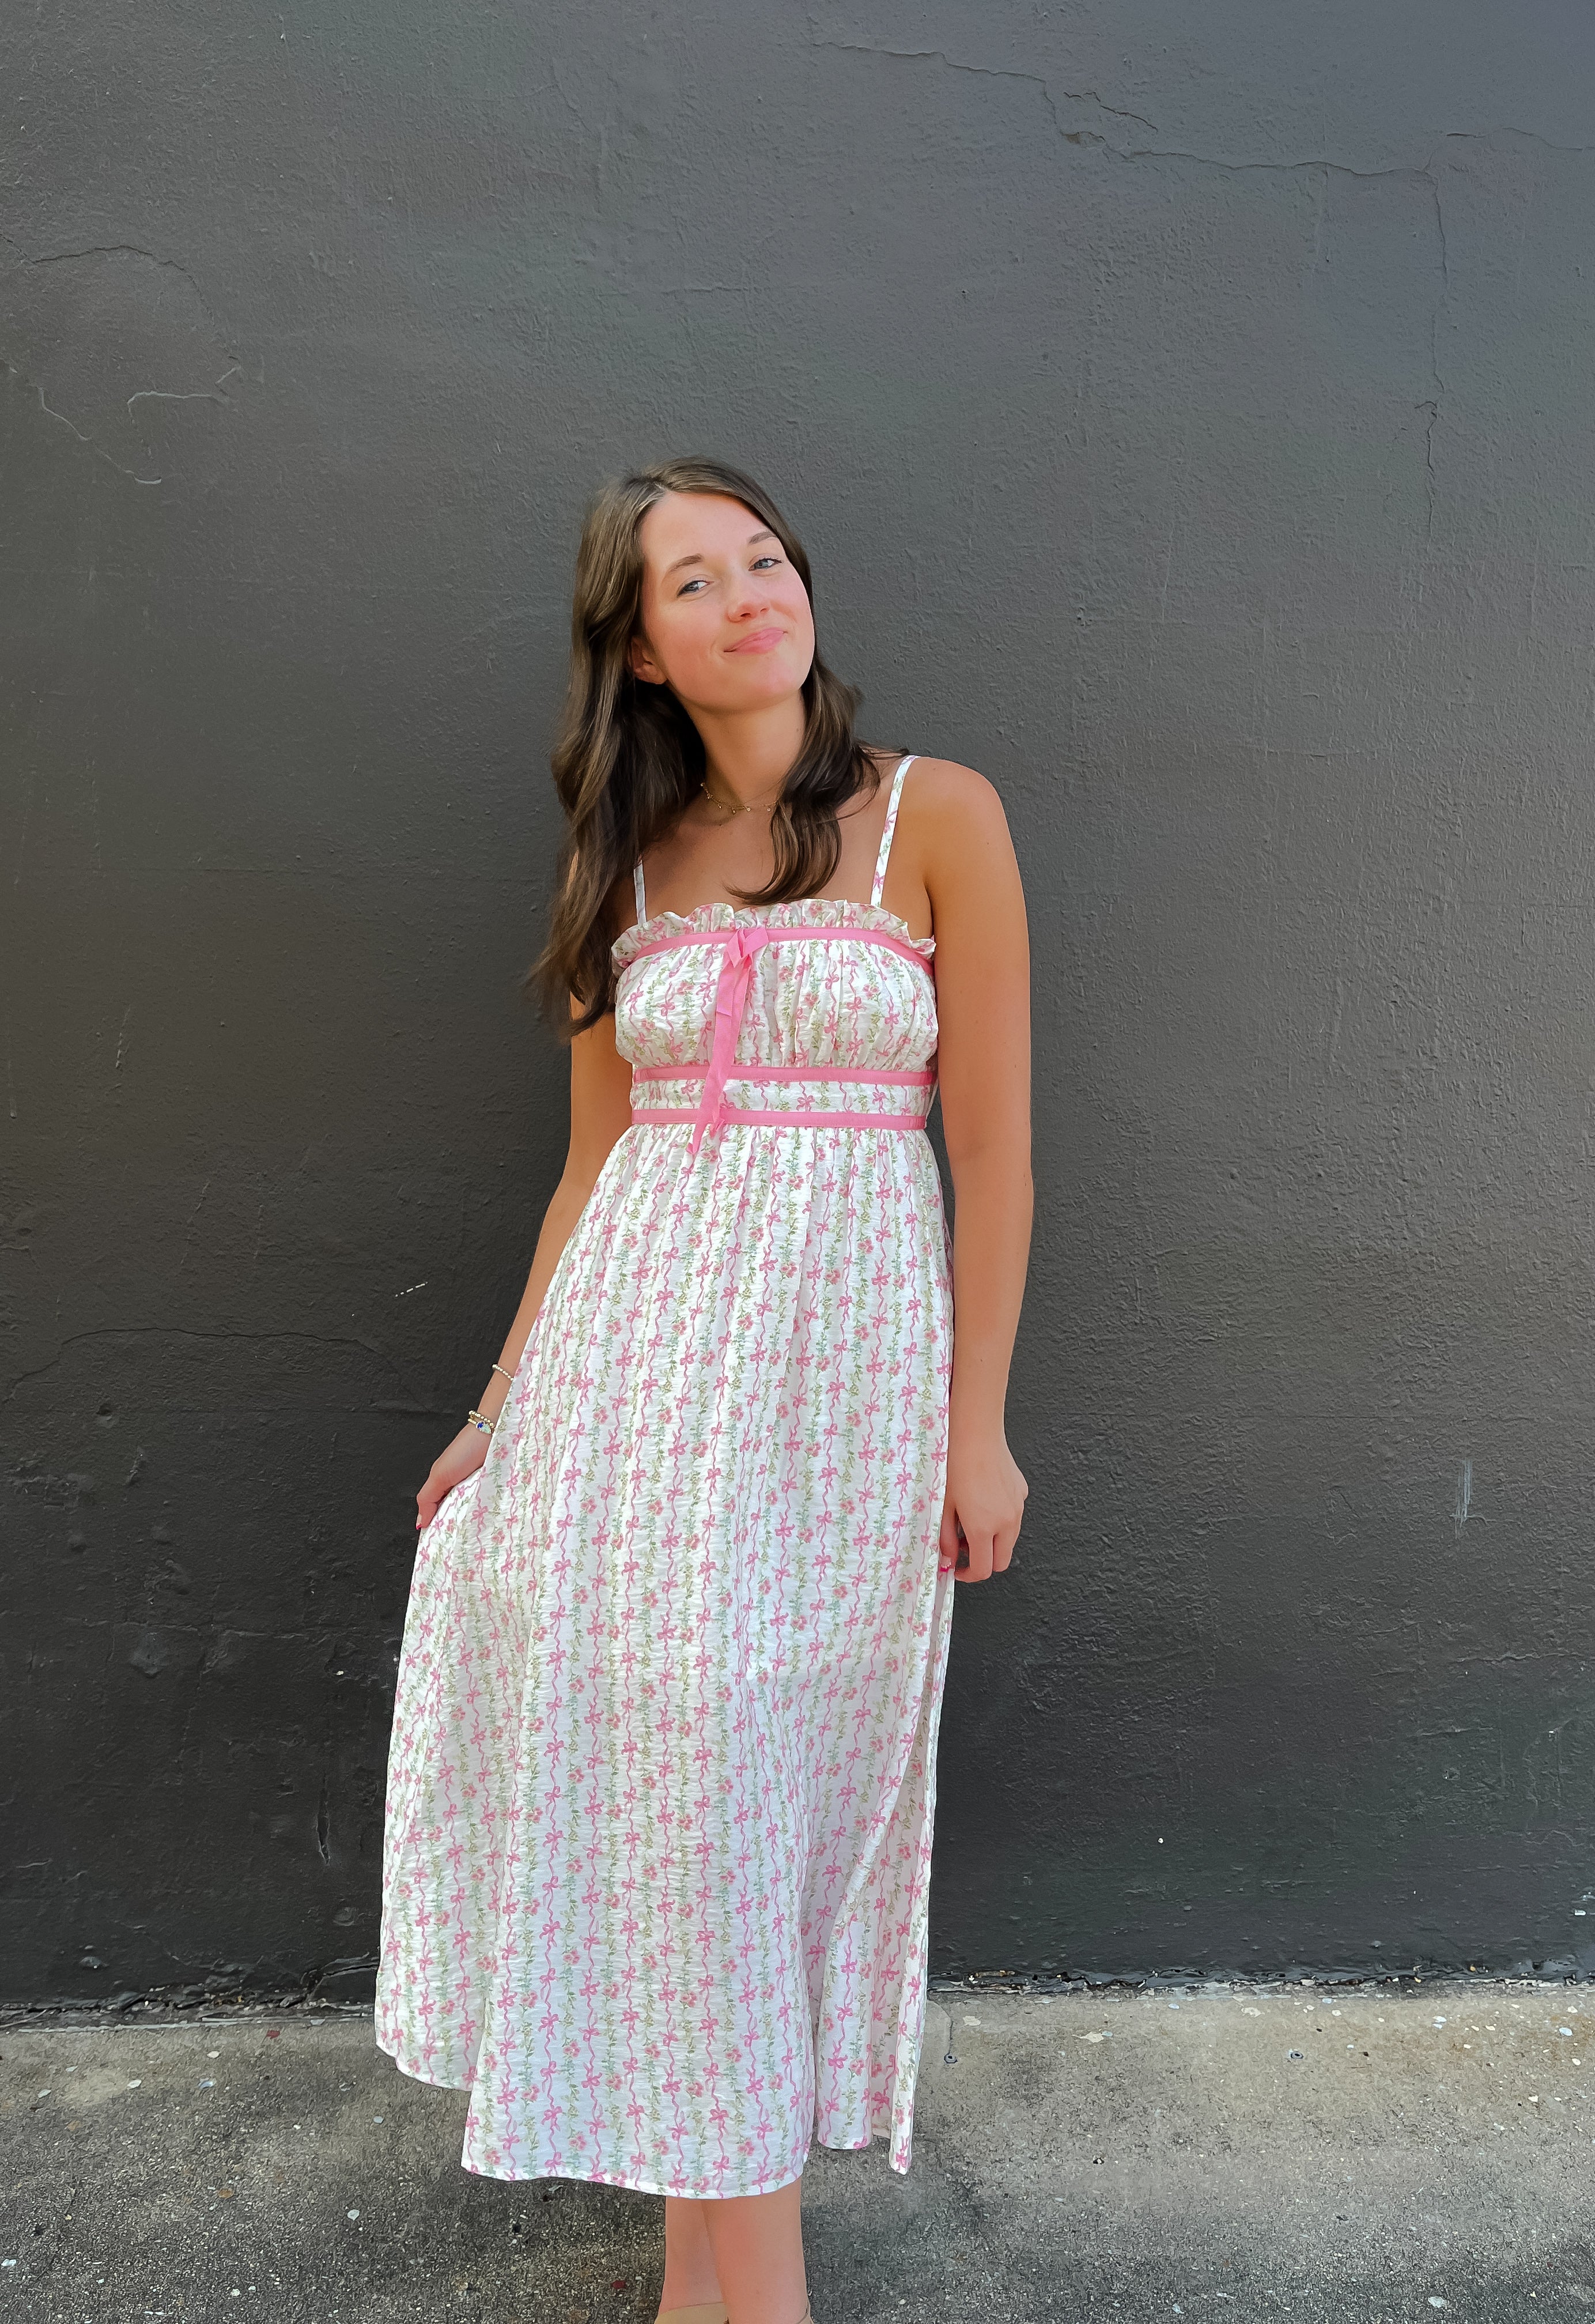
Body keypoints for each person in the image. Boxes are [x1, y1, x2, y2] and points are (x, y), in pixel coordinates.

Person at [374, 455, 1032, 2324]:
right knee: (667, 1801)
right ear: (643, 649)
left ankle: (724, 2284)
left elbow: (995, 1149)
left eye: (765, 558)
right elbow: (592, 1166)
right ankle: (729, 2288)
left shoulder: (935, 815)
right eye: (695, 580)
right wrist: (498, 1410)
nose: (751, 595)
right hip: (629, 1397)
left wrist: (979, 1427)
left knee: (762, 1802)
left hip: (837, 1402)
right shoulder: (627, 864)